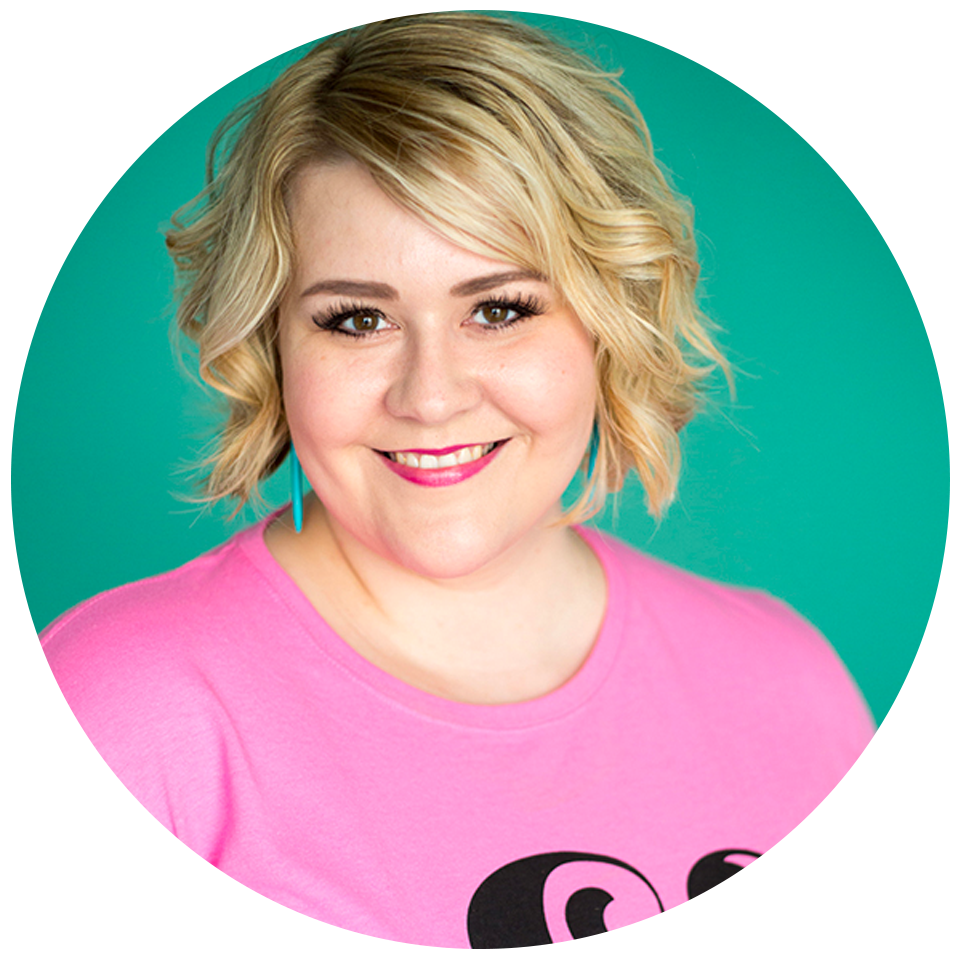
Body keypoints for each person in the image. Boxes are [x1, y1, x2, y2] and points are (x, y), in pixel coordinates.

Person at [38, 12, 955, 948]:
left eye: (501, 309)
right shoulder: (120, 710)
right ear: (271, 344)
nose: (431, 397)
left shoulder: (781, 678)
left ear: (609, 319)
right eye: (356, 320)